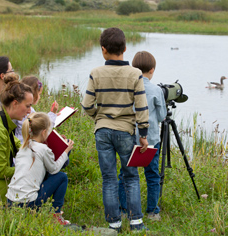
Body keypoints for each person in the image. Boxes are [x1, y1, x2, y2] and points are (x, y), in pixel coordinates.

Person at [81, 27, 150, 232]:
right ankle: (136, 222)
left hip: (102, 131)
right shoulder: (135, 74)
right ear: (125, 48)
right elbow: (141, 107)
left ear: (103, 50)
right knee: (130, 176)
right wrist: (143, 135)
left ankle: (114, 223)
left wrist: (99, 117)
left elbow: (86, 106)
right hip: (126, 131)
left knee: (109, 178)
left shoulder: (96, 73)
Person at [118, 51, 167, 221]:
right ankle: (152, 211)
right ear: (152, 70)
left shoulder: (127, 88)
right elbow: (161, 116)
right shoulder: (156, 90)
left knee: (125, 174)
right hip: (151, 140)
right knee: (152, 175)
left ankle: (123, 210)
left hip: (129, 138)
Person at [6, 112, 74, 225]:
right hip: (29, 203)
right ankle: (56, 215)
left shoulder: (23, 147)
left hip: (11, 201)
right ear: (43, 132)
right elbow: (54, 169)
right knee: (62, 177)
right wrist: (66, 151)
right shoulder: (42, 149)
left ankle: (42, 214)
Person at [13, 76, 59, 144]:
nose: (39, 97)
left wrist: (52, 114)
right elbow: (42, 127)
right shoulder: (28, 111)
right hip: (26, 144)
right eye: (39, 94)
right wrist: (53, 114)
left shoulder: (23, 108)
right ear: (33, 94)